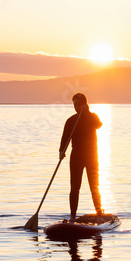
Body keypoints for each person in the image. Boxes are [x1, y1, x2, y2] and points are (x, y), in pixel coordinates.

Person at [59, 93, 103, 222]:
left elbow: (98, 125)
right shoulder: (71, 120)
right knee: (74, 188)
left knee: (94, 186)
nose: (76, 108)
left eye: (78, 105)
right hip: (76, 157)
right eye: (74, 105)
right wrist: (61, 151)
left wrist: (87, 112)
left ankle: (99, 214)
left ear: (84, 104)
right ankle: (72, 216)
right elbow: (65, 138)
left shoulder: (92, 117)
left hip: (91, 156)